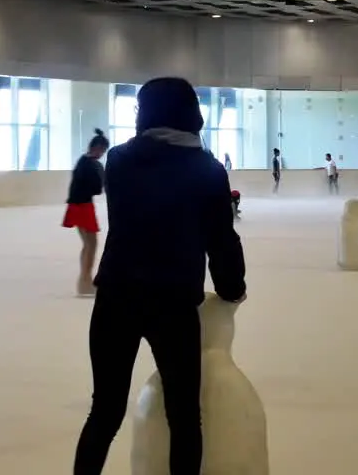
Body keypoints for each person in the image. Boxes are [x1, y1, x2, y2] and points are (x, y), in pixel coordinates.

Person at [73, 77, 246, 475]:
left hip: (117, 297)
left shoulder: (118, 160)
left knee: (105, 411)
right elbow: (221, 240)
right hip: (173, 302)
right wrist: (232, 288)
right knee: (184, 417)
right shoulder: (207, 169)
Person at [63, 129, 110, 297]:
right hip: (82, 206)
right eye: (103, 151)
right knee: (91, 245)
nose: (102, 154)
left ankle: (84, 281)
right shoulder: (90, 164)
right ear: (97, 147)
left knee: (88, 245)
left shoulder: (84, 161)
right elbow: (97, 188)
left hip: (79, 205)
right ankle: (85, 282)